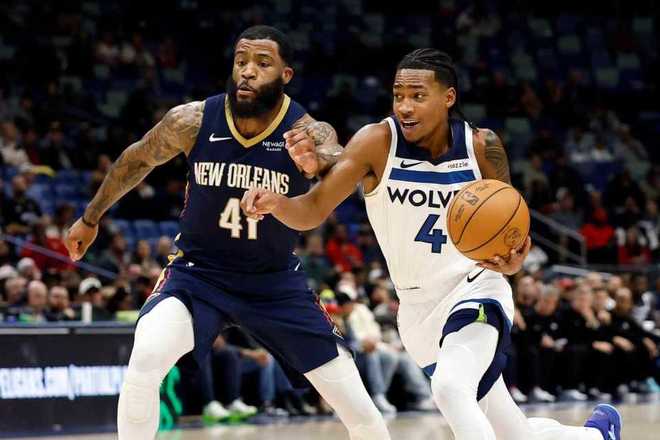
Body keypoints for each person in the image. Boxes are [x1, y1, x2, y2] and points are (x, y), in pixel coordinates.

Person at [242, 49, 621, 440]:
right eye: (398, 95)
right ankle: (596, 436)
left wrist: (511, 263)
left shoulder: (481, 146)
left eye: (418, 96)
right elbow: (313, 210)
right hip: (416, 312)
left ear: (448, 97)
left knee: (451, 390)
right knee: (513, 434)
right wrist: (277, 204)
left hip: (474, 289)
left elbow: (511, 231)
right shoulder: (376, 142)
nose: (405, 106)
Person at [64, 25, 389, 440]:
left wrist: (321, 167)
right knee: (144, 360)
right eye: (241, 61)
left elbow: (344, 164)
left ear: (286, 75)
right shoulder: (193, 120)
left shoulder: (307, 131)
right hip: (198, 275)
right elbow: (138, 159)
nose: (248, 71)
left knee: (358, 406)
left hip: (274, 283)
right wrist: (91, 218)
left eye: (262, 63)